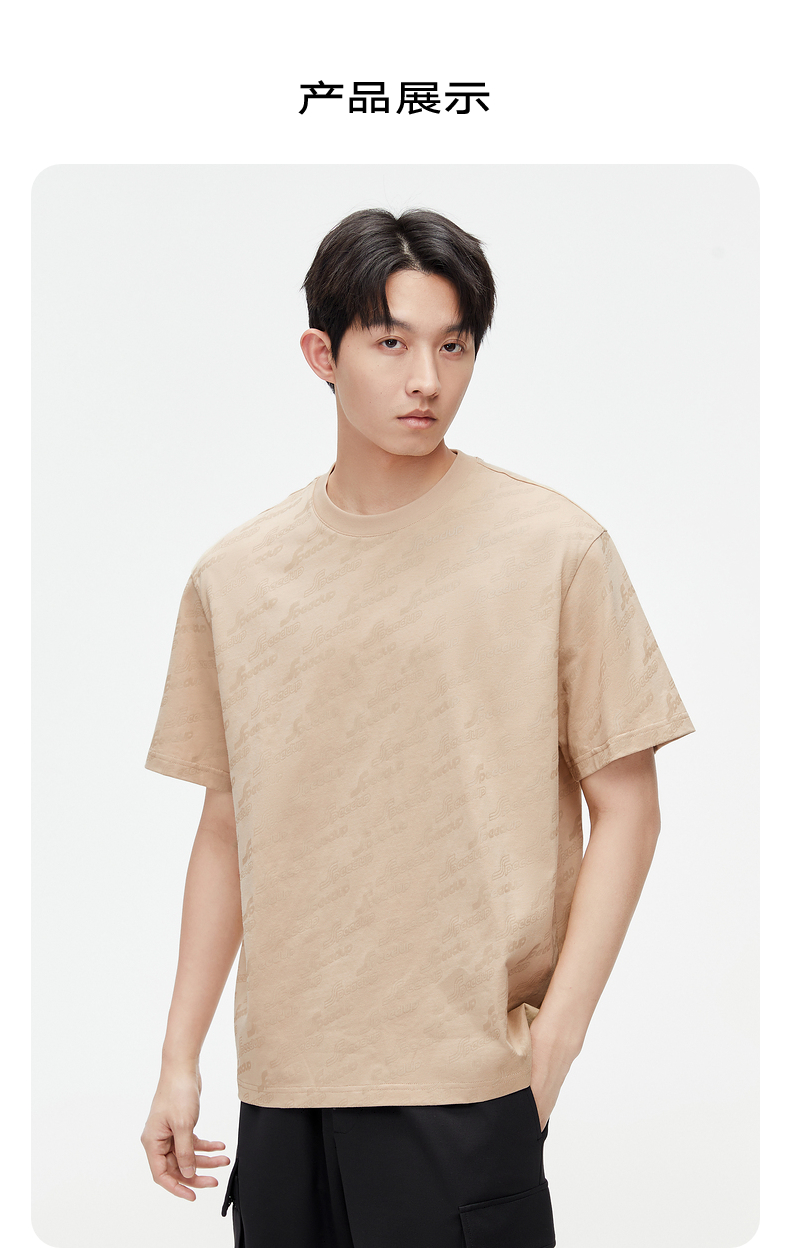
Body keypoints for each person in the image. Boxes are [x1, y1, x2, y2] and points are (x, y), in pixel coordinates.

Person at [140, 207, 695, 1247]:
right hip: (284, 1089)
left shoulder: (555, 548)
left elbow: (628, 809)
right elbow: (227, 824)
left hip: (465, 1089)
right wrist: (180, 1058)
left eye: (453, 345)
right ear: (323, 354)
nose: (426, 380)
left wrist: (550, 1054)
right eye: (391, 343)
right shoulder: (237, 576)